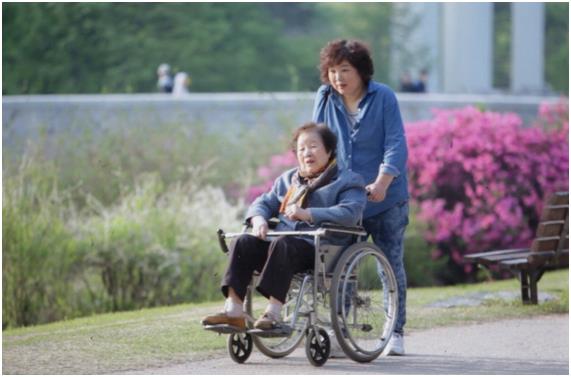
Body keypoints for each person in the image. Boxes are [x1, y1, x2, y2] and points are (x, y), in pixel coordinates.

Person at [202, 122, 367, 331]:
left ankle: (273, 313)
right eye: (301, 149)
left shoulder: (347, 180)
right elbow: (263, 202)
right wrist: (259, 219)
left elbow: (351, 213)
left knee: (284, 243)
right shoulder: (288, 180)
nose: (307, 153)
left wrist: (309, 214)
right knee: (242, 242)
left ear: (329, 150)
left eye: (313, 146)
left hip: (320, 249)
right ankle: (234, 311)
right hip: (280, 247)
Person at [312, 39, 409, 356]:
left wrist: (382, 181)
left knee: (389, 266)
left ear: (361, 71)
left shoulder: (383, 97)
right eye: (333, 70)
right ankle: (342, 332)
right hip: (346, 199)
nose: (338, 77)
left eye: (345, 70)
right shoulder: (325, 97)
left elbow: (396, 144)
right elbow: (318, 143)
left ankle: (395, 331)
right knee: (340, 267)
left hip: (386, 198)